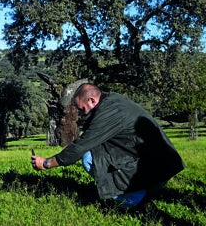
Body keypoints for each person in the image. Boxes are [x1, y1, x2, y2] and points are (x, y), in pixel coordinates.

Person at [31, 83, 185, 208]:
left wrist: (46, 163)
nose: (81, 113)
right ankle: (140, 190)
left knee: (88, 157)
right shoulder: (112, 101)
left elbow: (80, 146)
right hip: (157, 161)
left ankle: (132, 200)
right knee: (97, 152)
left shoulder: (109, 112)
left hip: (156, 166)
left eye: (81, 108)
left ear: (91, 100)